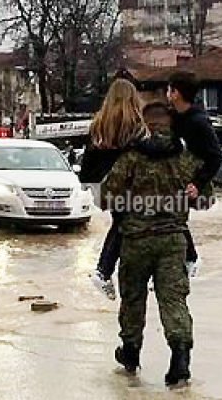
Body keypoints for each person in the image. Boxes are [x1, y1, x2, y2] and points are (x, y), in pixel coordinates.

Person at [98, 101, 196, 385]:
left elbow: (105, 195)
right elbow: (204, 194)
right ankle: (180, 358)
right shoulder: (184, 156)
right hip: (173, 240)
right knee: (173, 299)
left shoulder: (131, 156)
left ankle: (130, 353)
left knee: (133, 299)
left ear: (145, 123)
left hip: (136, 239)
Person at [79, 79, 182, 299]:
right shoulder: (135, 124)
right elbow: (145, 151)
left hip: (101, 187)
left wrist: (88, 185)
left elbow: (88, 162)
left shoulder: (99, 123)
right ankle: (109, 271)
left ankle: (104, 271)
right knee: (152, 219)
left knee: (120, 223)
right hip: (124, 185)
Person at [166, 71, 222, 267]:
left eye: (169, 89)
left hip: (190, 182)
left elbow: (216, 156)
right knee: (170, 218)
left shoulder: (199, 122)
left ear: (176, 93)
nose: (166, 94)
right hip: (173, 180)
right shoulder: (173, 117)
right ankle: (185, 260)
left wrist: (198, 183)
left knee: (175, 219)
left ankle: (191, 259)